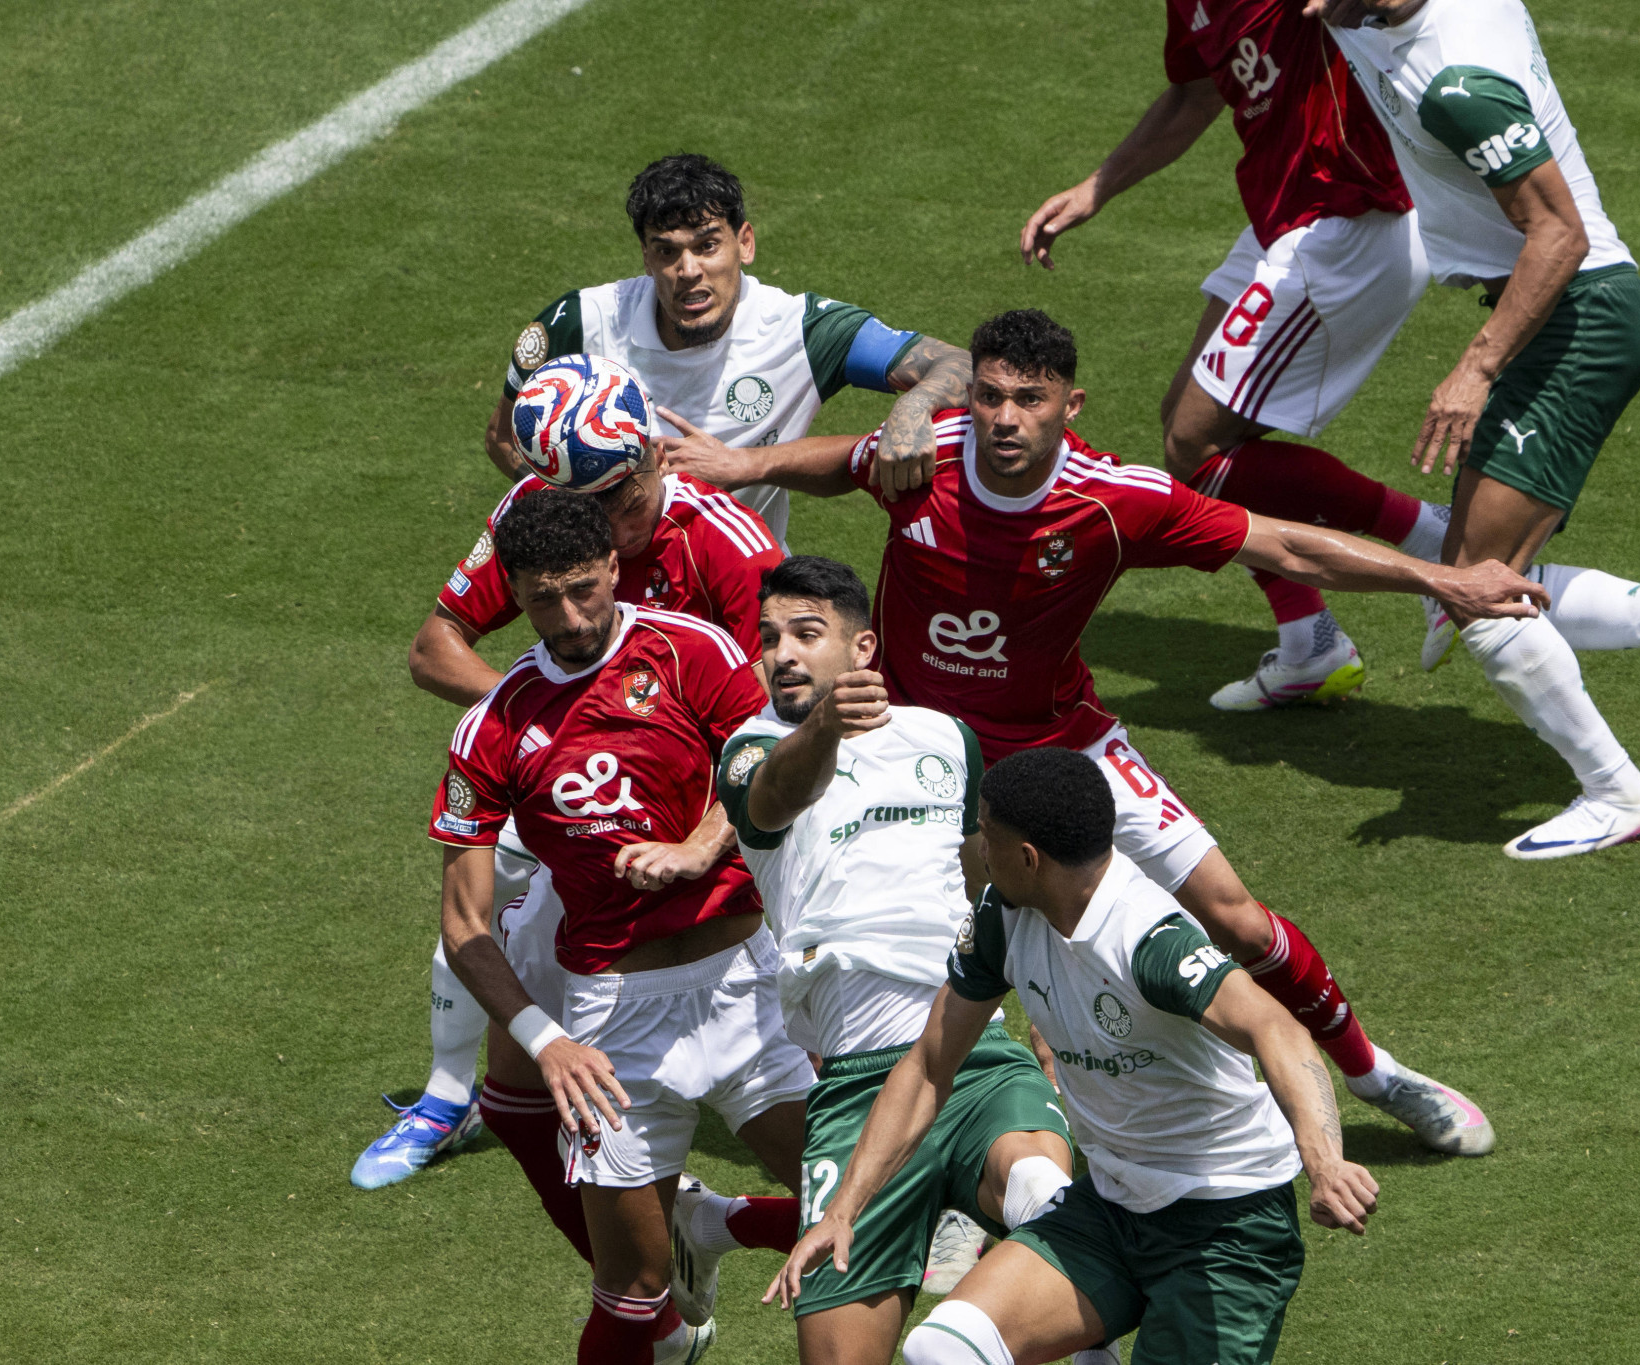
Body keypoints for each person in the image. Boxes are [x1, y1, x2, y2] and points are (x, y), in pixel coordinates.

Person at [664, 307, 1547, 1154]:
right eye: (990, 396)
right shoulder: (924, 456)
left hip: (1063, 743)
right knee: (923, 951)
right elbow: (844, 460)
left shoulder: (1113, 500)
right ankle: (971, 1143)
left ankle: (1374, 1074)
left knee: (1235, 918)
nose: (1006, 419)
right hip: (925, 758)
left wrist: (1444, 581)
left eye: (1030, 399)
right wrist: (743, 465)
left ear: (1070, 405)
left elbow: (1284, 547)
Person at [773, 747, 1377, 1365]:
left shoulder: (1146, 938)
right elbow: (931, 1066)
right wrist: (844, 1210)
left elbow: (1276, 1027)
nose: (979, 847)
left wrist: (1324, 1162)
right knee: (944, 1348)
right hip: (1110, 1211)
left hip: (1226, 1228)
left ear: (1028, 858)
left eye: (987, 832)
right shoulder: (1004, 918)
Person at [355, 354, 781, 1195]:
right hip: (596, 795)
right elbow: (433, 647)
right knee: (490, 894)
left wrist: (658, 771)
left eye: (622, 506)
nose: (610, 531)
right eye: (586, 512)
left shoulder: (729, 546)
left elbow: (767, 717)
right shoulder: (544, 517)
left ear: (655, 455)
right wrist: (552, 728)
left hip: (724, 795)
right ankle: (451, 1096)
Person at [673, 554, 1096, 1365]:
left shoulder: (945, 738)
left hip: (970, 1052)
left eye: (806, 633)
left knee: (1046, 1191)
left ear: (863, 647)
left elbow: (993, 887)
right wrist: (826, 725)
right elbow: (774, 801)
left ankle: (1089, 1345)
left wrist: (1047, 1014)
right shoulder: (750, 749)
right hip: (855, 1087)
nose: (782, 653)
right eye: (768, 639)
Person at [431, 487, 815, 1364]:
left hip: (744, 991)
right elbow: (464, 923)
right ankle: (707, 1231)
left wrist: (698, 844)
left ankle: (725, 1223)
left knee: (853, 1206)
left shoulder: (694, 652)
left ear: (613, 565)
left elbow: (767, 773)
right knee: (635, 1291)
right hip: (613, 1022)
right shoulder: (493, 727)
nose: (566, 616)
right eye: (539, 598)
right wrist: (546, 1039)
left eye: (581, 588)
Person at [1311, 0, 1640, 859]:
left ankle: (1617, 793)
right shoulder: (1361, 10)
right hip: (1558, 313)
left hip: (1575, 317)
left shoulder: (1459, 82)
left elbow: (1560, 233)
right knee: (1489, 574)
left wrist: (1475, 368)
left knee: (1479, 593)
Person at [1020, 0, 1453, 710]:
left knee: (1196, 445)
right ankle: (1311, 640)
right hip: (1282, 216)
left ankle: (1431, 536)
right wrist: (1096, 188)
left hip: (1349, 217)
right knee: (1187, 433)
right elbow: (1195, 92)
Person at [485, 153, 975, 544]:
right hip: (614, 607)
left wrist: (913, 404)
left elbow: (962, 367)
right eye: (666, 251)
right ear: (646, 258)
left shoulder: (801, 331)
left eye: (707, 245)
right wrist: (588, 514)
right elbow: (504, 437)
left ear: (745, 244)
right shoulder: (580, 324)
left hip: (741, 603)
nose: (688, 269)